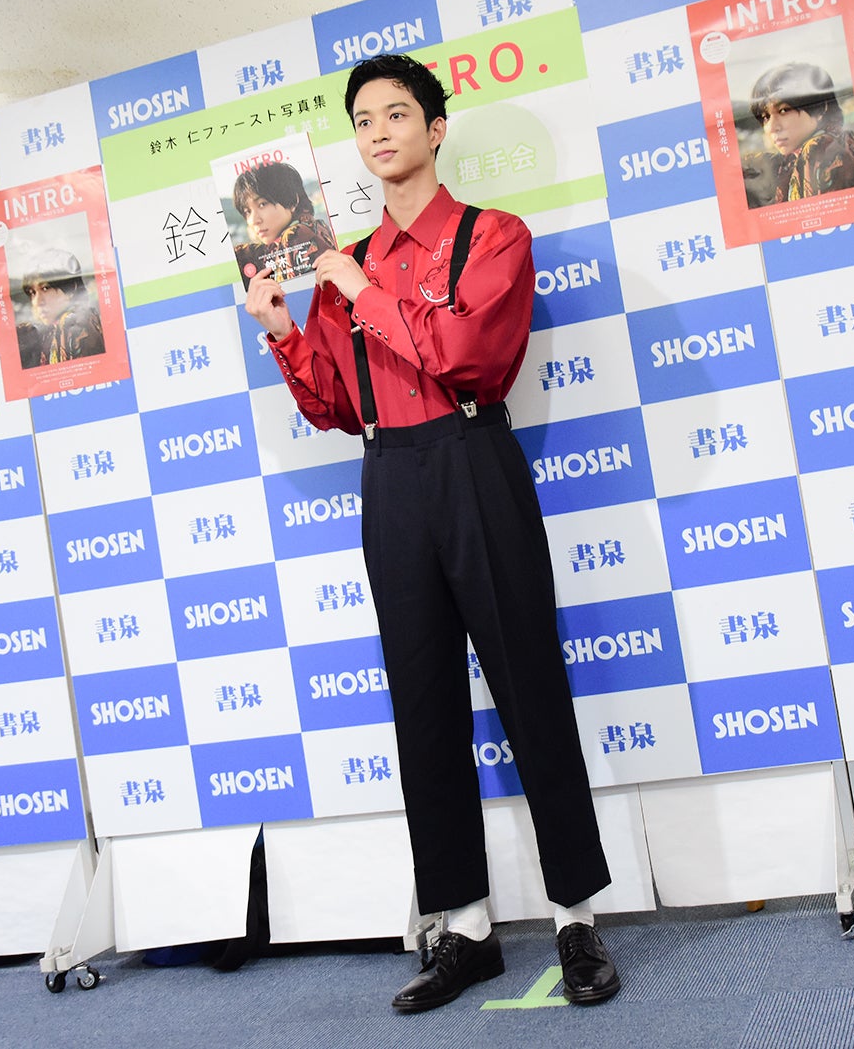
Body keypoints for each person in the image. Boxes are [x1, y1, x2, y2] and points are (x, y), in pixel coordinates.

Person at [241, 53, 620, 1014]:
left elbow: (468, 356)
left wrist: (363, 294)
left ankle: (576, 917)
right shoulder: (342, 262)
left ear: (437, 128)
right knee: (422, 705)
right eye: (363, 120)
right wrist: (284, 328)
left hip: (473, 456)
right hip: (391, 477)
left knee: (529, 683)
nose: (379, 132)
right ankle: (467, 928)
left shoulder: (493, 235)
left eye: (397, 114)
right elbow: (338, 405)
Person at [744, 61, 854, 205]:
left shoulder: (821, 150)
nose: (771, 127)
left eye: (784, 110)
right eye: (765, 117)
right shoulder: (790, 162)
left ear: (819, 109)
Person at [231, 161, 338, 284]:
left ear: (292, 201)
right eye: (247, 211)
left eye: (262, 204)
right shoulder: (316, 227)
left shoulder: (295, 237)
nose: (254, 220)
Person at [16, 249, 104, 368]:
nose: (37, 302)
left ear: (70, 289)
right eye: (32, 292)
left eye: (45, 288)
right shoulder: (47, 332)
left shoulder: (74, 325)